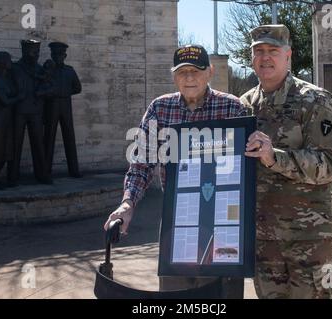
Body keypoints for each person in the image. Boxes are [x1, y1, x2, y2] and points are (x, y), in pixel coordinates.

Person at [104, 44, 246, 295]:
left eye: (196, 70)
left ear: (210, 72)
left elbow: (247, 171)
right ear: (174, 76)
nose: (189, 77)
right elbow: (141, 165)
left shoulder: (233, 108)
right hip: (177, 222)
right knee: (175, 294)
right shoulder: (160, 109)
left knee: (222, 294)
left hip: (223, 222)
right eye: (182, 72)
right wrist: (127, 203)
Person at [240, 24, 332, 299]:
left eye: (273, 51)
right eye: (258, 51)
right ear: (251, 58)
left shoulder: (314, 101)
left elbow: (330, 165)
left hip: (311, 238)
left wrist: (275, 157)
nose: (265, 57)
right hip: (264, 240)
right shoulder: (244, 106)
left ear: (288, 56)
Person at [10, 39, 52, 185]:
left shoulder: (40, 70)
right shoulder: (14, 68)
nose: (36, 55)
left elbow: (49, 88)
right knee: (15, 144)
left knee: (38, 145)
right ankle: (12, 175)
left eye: (38, 52)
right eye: (34, 51)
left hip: (35, 111)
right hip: (19, 111)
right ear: (24, 51)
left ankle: (42, 174)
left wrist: (42, 93)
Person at [43, 42, 82, 178]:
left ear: (64, 56)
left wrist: (65, 91)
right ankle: (45, 171)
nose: (57, 57)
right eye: (55, 54)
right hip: (52, 105)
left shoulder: (69, 71)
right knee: (49, 137)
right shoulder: (48, 70)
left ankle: (74, 170)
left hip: (65, 104)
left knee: (69, 136)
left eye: (60, 55)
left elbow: (78, 88)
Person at [0, 51, 23, 188]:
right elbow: (5, 101)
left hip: (7, 117)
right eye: (8, 60)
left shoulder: (6, 79)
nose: (11, 62)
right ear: (2, 62)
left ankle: (0, 177)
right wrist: (20, 97)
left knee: (7, 148)